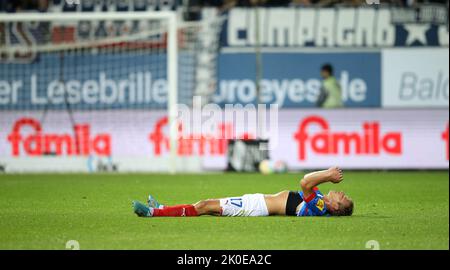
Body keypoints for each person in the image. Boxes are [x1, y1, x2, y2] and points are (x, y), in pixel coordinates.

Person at [132, 166, 354, 218]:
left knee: (203, 206)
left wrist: (328, 175)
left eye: (343, 197)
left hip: (256, 207)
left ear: (337, 207)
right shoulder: (320, 200)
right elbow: (308, 181)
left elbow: (305, 181)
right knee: (205, 204)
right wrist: (326, 177)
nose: (341, 192)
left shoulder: (320, 206)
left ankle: (153, 213)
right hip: (258, 202)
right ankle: (161, 208)